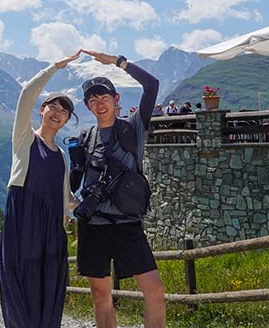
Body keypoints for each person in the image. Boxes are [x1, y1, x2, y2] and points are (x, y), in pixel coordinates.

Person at [71, 50, 166, 328]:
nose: (99, 104)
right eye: (92, 100)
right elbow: (74, 181)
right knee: (101, 297)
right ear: (88, 107)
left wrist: (117, 62)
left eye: (104, 98)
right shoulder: (85, 137)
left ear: (116, 100)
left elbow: (152, 85)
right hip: (94, 226)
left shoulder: (134, 129)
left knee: (155, 291)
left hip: (128, 225)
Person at [0, 49, 83, 328]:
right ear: (42, 110)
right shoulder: (24, 138)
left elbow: (66, 200)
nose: (58, 113)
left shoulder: (61, 155)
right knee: (20, 282)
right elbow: (26, 93)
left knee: (49, 289)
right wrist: (54, 67)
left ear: (68, 120)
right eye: (53, 107)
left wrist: (87, 204)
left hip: (51, 231)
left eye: (65, 111)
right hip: (23, 219)